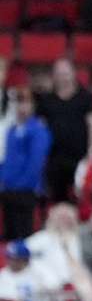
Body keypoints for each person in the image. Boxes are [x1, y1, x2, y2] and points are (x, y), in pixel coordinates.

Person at [34, 59, 92, 203]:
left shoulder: (86, 97)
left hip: (80, 158)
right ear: (53, 76)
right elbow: (39, 129)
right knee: (58, 200)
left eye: (65, 73)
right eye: (58, 74)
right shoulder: (46, 100)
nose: (62, 77)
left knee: (83, 200)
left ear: (73, 74)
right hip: (55, 159)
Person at [0, 87, 51, 240]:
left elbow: (35, 163)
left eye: (26, 103)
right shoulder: (11, 130)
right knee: (10, 234)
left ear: (33, 106)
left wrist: (20, 185)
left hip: (26, 191)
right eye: (19, 103)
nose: (22, 107)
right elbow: (7, 159)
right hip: (8, 190)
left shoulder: (38, 130)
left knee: (25, 235)